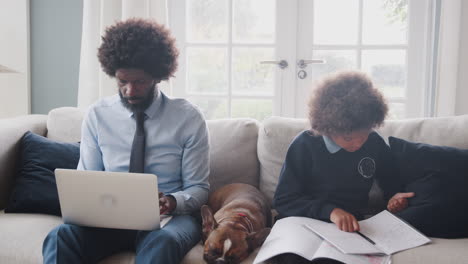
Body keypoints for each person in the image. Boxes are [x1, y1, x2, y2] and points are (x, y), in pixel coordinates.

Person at [42, 18, 210, 264]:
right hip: (109, 220)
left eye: (140, 81)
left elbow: (199, 188)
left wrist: (172, 202)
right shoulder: (98, 115)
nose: (130, 90)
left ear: (157, 76)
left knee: (163, 242)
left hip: (170, 220)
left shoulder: (188, 118)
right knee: (60, 237)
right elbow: (87, 177)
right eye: (123, 81)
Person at [274, 71, 414, 232]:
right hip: (304, 223)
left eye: (364, 136)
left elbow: (391, 178)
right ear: (328, 129)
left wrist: (394, 197)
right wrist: (331, 212)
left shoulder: (374, 142)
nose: (358, 144)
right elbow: (284, 200)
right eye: (348, 138)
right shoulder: (305, 144)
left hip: (350, 227)